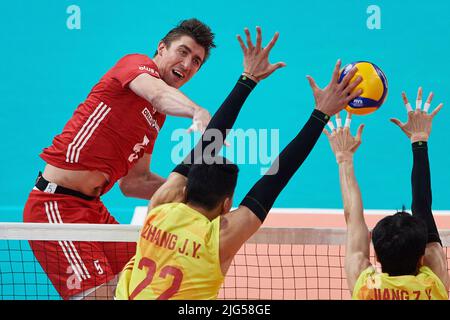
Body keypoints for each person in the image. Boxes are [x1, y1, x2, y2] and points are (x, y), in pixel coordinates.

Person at [115, 26, 363, 299]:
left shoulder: (160, 206)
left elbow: (208, 146)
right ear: (226, 205)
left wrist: (249, 79)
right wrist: (322, 113)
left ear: (184, 191)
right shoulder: (219, 241)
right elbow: (274, 179)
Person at [23, 18, 216, 300]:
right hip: (56, 206)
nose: (187, 64)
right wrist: (197, 111)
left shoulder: (156, 117)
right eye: (183, 52)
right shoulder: (135, 65)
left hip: (92, 210)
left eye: (196, 61)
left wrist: (193, 196)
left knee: (144, 277)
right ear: (161, 48)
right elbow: (160, 94)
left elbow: (136, 182)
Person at [323, 88, 449, 300]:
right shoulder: (434, 282)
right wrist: (419, 139)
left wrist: (344, 157)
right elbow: (422, 206)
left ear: (376, 256)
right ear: (422, 258)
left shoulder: (365, 288)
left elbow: (352, 215)